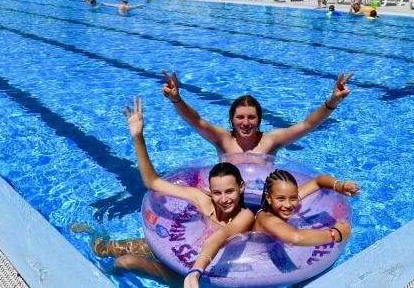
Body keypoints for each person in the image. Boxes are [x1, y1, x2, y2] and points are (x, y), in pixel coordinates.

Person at [75, 98, 254, 287]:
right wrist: (138, 137)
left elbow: (219, 237)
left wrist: (195, 271)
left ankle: (107, 274)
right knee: (102, 249)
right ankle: (96, 233)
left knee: (125, 262)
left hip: (198, 276)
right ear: (210, 191)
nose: (224, 199)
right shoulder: (202, 199)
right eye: (217, 192)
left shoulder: (245, 216)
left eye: (230, 191)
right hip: (177, 249)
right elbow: (153, 182)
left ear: (241, 187)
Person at [161, 70, 354, 156]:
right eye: (240, 117)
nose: (245, 123)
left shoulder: (271, 140)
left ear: (259, 120)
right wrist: (177, 99)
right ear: (232, 120)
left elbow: (307, 125)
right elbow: (196, 121)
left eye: (251, 117)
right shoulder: (222, 139)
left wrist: (333, 101)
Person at [253, 169, 358, 246]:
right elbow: (295, 238)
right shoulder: (267, 219)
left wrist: (340, 186)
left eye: (293, 198)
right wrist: (336, 234)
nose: (288, 205)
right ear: (268, 197)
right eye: (281, 199)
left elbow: (318, 181)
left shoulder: (287, 199)